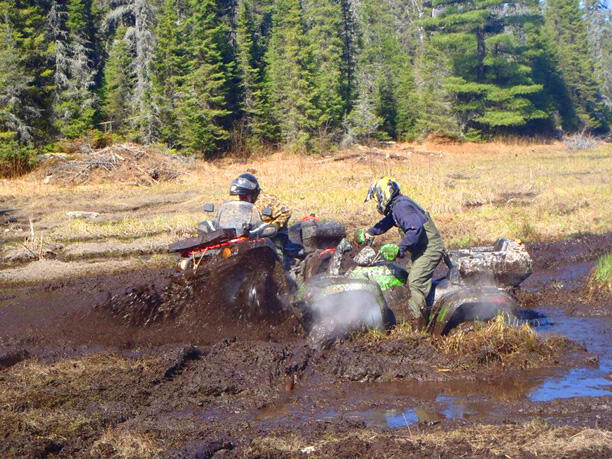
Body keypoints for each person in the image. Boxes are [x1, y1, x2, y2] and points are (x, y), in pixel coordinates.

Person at [363, 176, 445, 320]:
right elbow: (389, 221)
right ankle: (423, 307)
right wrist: (371, 231)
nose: (377, 203)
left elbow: (415, 229)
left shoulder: (401, 207)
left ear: (384, 195)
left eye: (377, 199)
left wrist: (399, 248)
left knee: (415, 282)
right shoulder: (398, 206)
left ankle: (419, 324)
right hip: (422, 248)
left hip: (429, 248)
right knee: (407, 274)